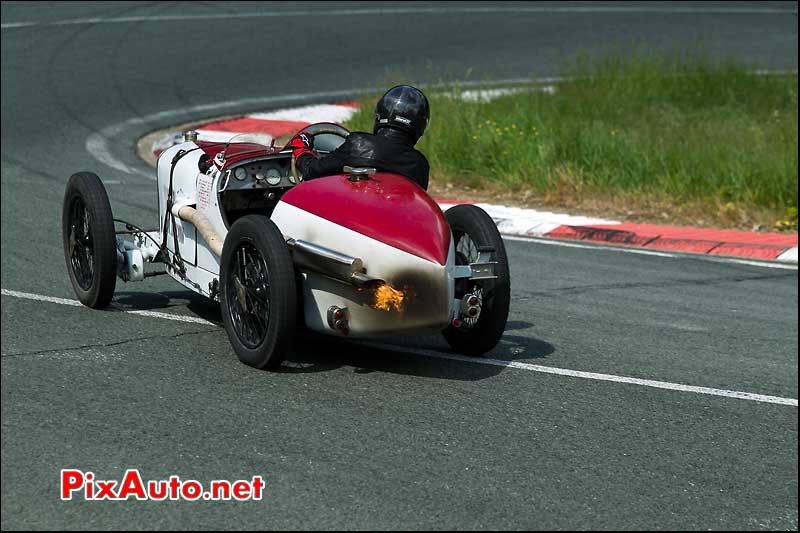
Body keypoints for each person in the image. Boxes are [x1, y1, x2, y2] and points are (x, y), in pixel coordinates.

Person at [290, 85, 431, 190]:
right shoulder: (419, 165)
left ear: (380, 115)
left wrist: (301, 150)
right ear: (420, 127)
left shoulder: (358, 143)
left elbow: (312, 171)